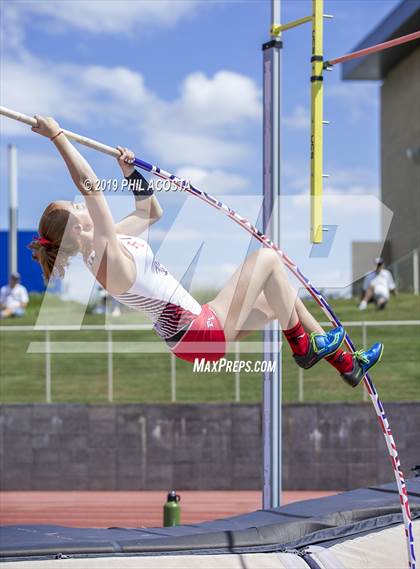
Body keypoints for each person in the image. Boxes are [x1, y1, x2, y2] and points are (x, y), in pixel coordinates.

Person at [28, 115, 383, 387]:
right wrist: (57, 136)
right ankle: (303, 348)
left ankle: (345, 363)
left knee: (280, 295)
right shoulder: (104, 255)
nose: (82, 206)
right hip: (198, 332)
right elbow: (90, 185)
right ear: (77, 228)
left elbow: (150, 212)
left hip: (195, 333)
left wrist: (130, 173)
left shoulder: (110, 244)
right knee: (268, 259)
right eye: (75, 208)